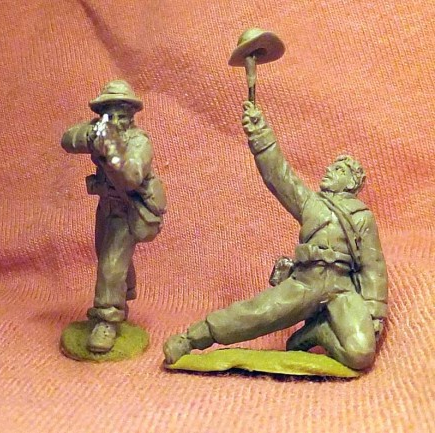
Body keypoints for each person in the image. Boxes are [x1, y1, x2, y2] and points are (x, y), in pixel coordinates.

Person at [163, 102, 387, 370]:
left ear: (351, 183)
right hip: (306, 283)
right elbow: (280, 176)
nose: (329, 171)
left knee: (361, 354)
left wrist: (374, 312)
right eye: (331, 167)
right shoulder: (312, 204)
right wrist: (260, 135)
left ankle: (318, 332)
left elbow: (373, 268)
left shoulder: (362, 217)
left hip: (342, 290)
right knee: (255, 313)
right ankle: (190, 339)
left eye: (339, 170)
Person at [61, 80, 166, 353]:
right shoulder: (98, 131)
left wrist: (112, 150)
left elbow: (131, 177)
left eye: (122, 114)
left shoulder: (139, 142)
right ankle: (124, 290)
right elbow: (68, 139)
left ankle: (107, 318)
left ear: (131, 116)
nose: (116, 120)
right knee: (106, 254)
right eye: (110, 114)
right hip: (106, 206)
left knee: (109, 265)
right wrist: (94, 136)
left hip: (128, 208)